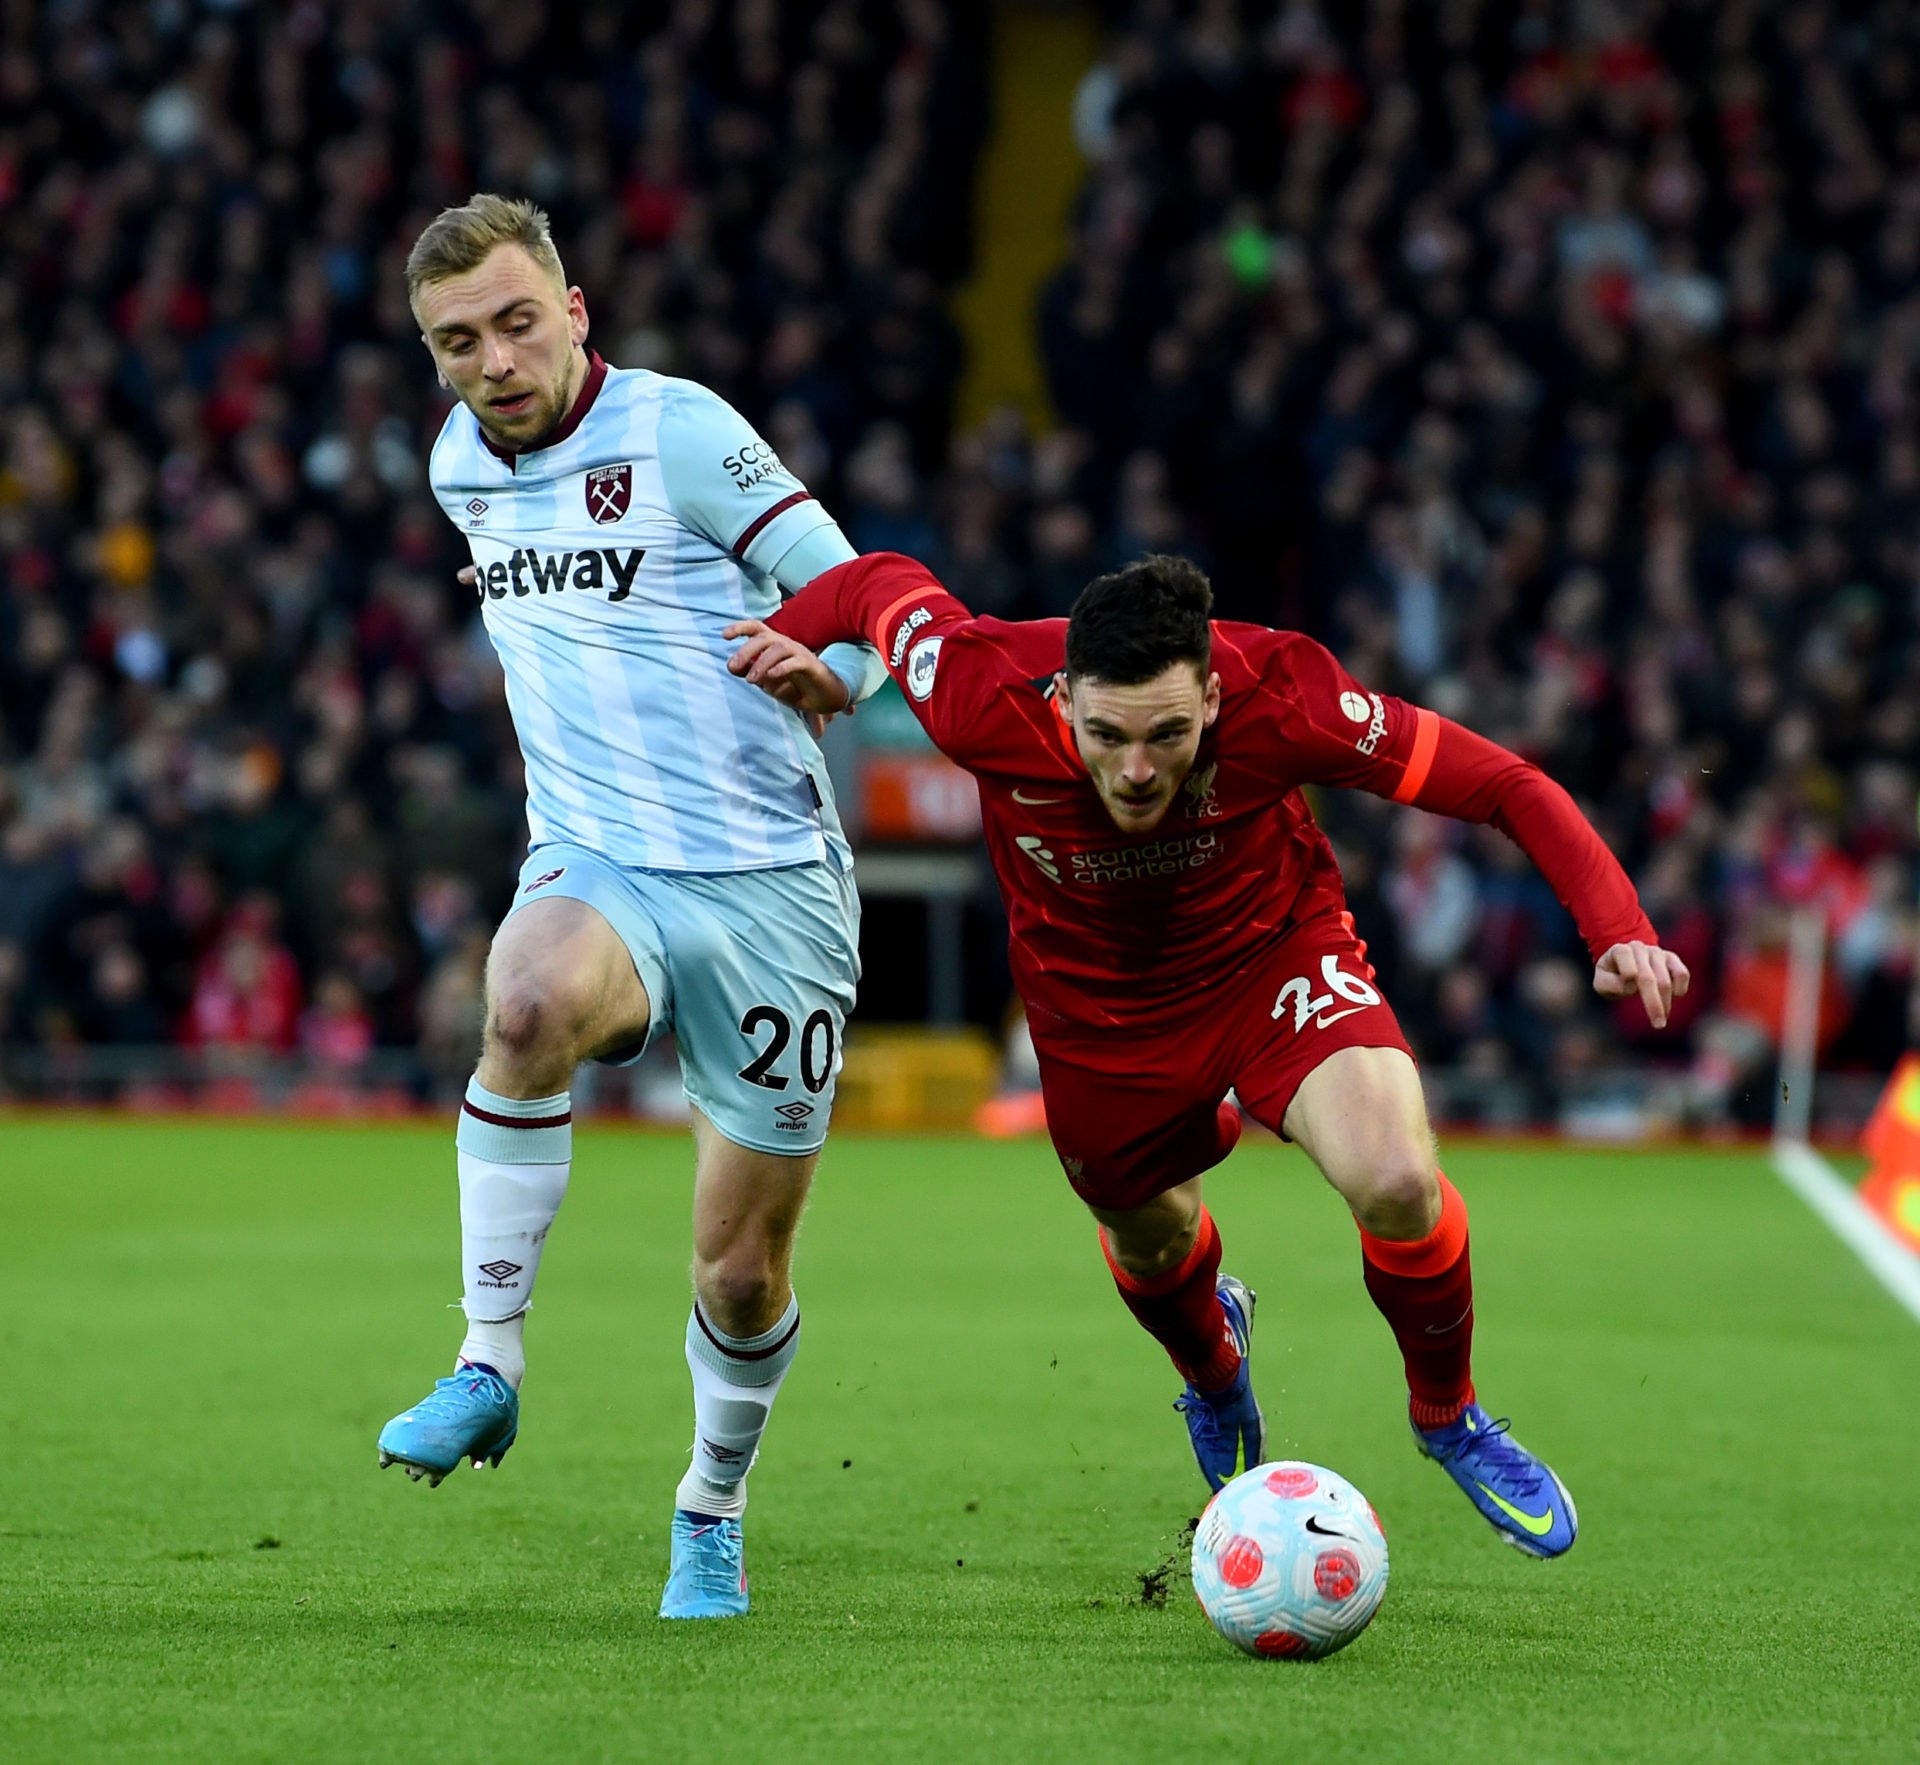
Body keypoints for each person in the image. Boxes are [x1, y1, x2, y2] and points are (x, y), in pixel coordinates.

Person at [727, 550, 1690, 1559]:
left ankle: (1449, 1417)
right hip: (1099, 1014)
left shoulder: (1288, 694)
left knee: (1400, 1177)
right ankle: (1218, 1376)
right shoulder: (979, 690)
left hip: (1270, 959)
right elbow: (877, 582)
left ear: (1215, 695)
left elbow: (1502, 781)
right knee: (1152, 1243)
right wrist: (797, 635)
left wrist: (1615, 923)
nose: (1136, 769)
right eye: (1106, 735)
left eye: (1169, 734)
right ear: (1061, 700)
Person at [374, 194, 886, 1620]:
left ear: (578, 309)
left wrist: (837, 676)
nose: (492, 361)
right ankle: (489, 1358)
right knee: (523, 1001)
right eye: (456, 341)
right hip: (597, 858)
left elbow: (868, 600)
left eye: (517, 322)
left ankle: (710, 1503)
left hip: (773, 889)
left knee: (737, 1270)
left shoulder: (678, 433)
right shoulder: (456, 470)